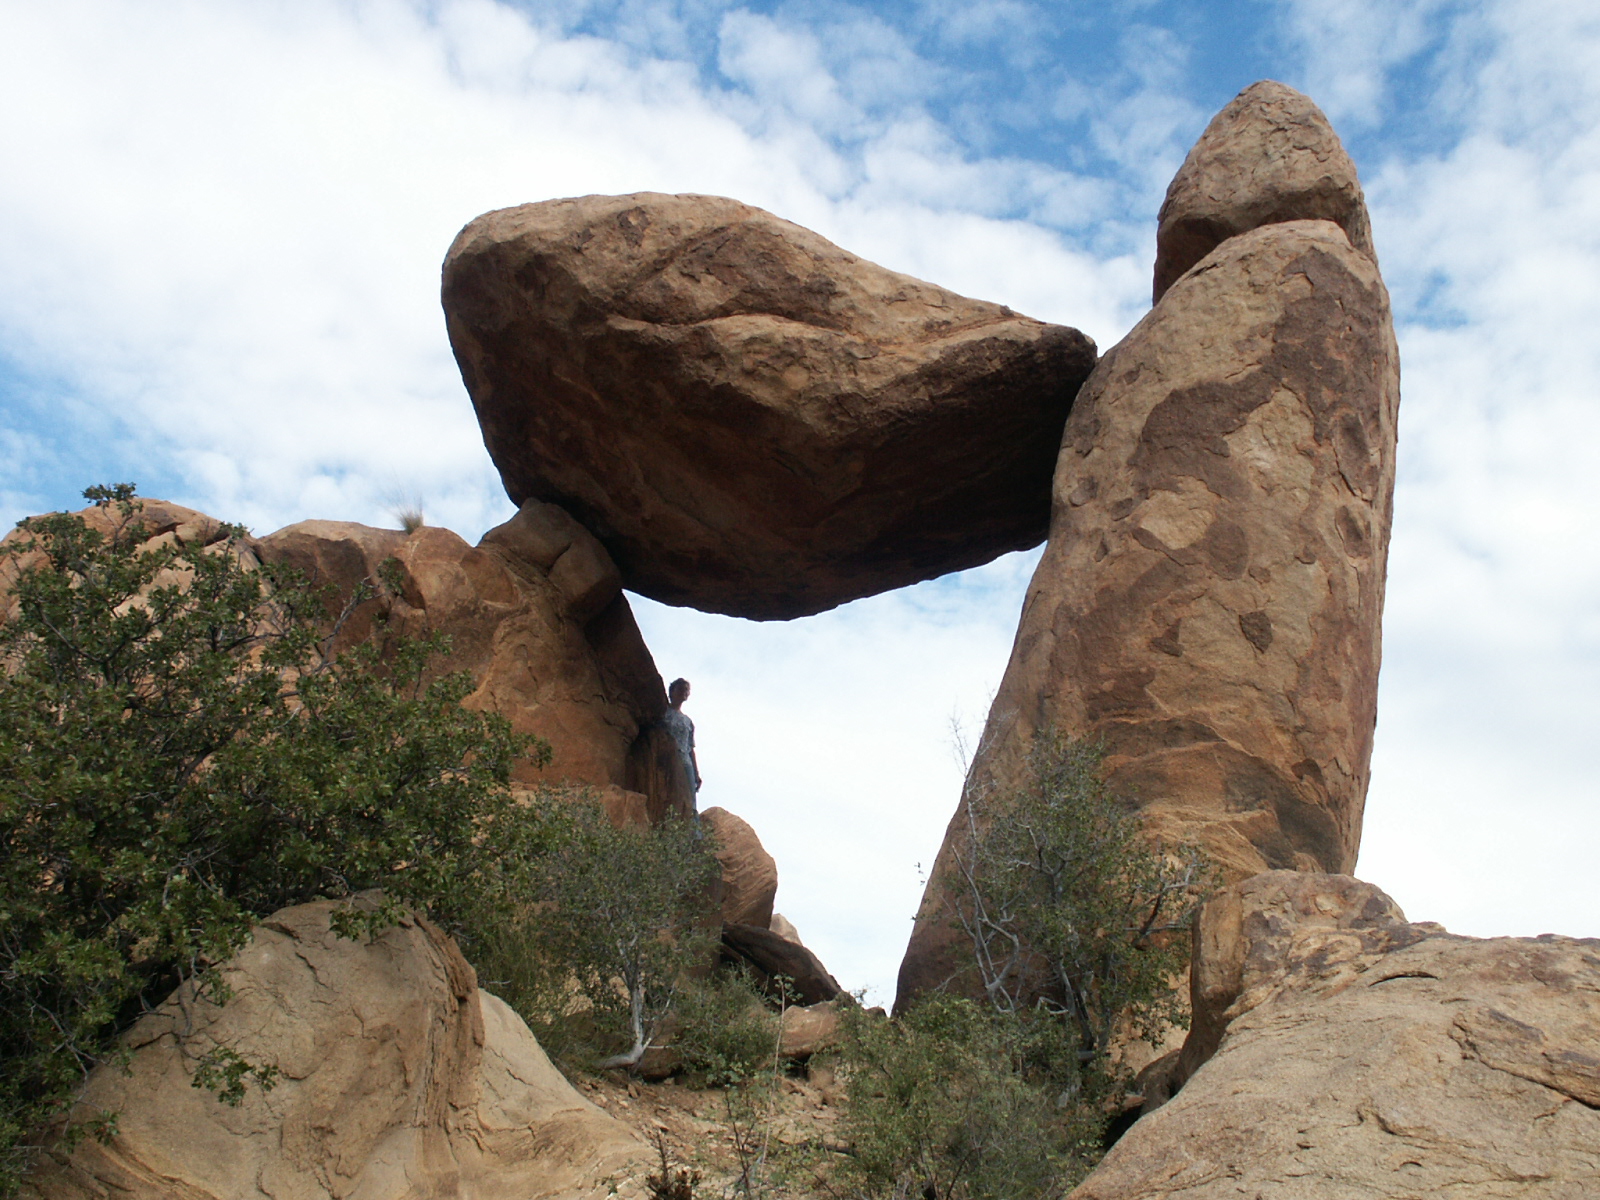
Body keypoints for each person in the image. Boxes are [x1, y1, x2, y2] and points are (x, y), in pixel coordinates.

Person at [659, 677, 702, 795]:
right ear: (672, 691)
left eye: (686, 690)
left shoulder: (688, 722)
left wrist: (696, 773)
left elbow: (690, 748)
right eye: (680, 689)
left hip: (685, 761)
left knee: (688, 795)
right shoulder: (663, 712)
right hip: (667, 757)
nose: (684, 692)